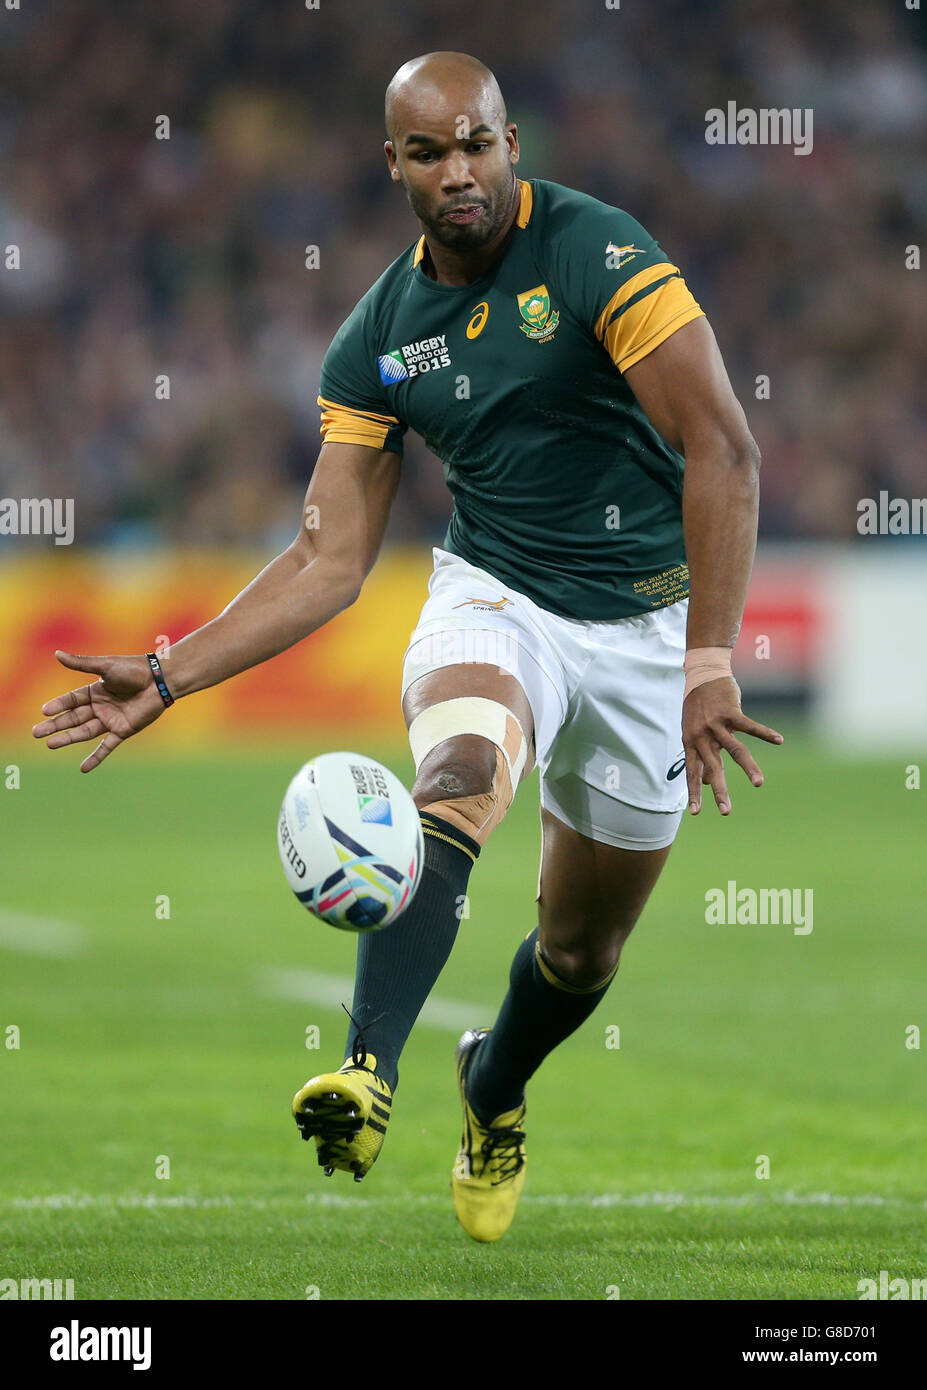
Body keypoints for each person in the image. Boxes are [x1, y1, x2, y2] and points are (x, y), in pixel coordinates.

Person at [32, 51, 782, 1244]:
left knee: (583, 952)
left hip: (648, 630)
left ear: (510, 141)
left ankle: (490, 1086)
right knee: (462, 775)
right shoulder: (378, 338)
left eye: (476, 143)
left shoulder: (594, 250)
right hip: (501, 598)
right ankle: (366, 1073)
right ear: (394, 164)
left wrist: (705, 660)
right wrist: (170, 672)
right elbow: (329, 560)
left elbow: (725, 449)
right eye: (429, 153)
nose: (459, 172)